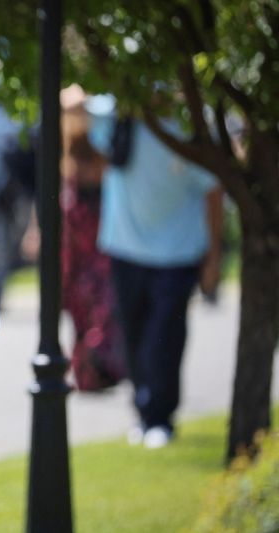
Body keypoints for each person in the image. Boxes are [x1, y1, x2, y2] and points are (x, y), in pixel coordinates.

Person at [86, 94, 223, 448]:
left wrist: (213, 257)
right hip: (125, 247)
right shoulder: (118, 113)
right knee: (132, 333)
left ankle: (161, 417)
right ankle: (144, 414)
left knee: (165, 336)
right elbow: (73, 107)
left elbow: (212, 191)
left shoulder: (188, 126)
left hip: (178, 251)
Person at [59, 85, 126, 391]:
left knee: (103, 313)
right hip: (76, 253)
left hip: (101, 253)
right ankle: (88, 372)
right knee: (81, 314)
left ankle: (101, 369)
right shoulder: (66, 157)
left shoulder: (103, 152)